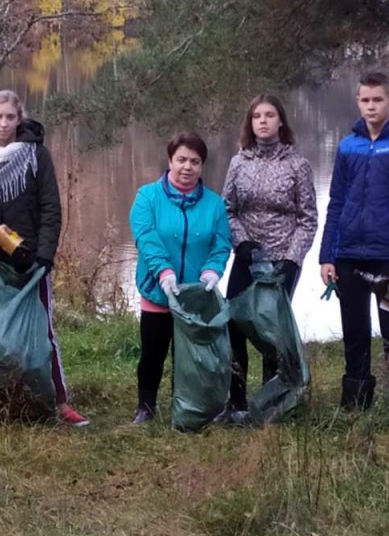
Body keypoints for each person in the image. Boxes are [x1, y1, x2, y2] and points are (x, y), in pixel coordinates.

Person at [0, 89, 88, 427]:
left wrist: (45, 256)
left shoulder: (36, 155)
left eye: (10, 117)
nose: (3, 123)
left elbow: (50, 209)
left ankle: (58, 402)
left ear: (19, 119)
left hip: (29, 262)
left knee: (42, 332)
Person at [318, 69, 389, 426]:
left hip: (388, 261)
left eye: (377, 99)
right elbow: (336, 202)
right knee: (354, 332)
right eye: (365, 100)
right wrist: (327, 256)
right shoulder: (347, 146)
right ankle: (355, 407)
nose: (371, 106)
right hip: (348, 257)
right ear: (357, 102)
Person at [221, 94, 318, 419]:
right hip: (248, 257)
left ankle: (272, 404)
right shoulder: (238, 163)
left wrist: (293, 259)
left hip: (282, 260)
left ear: (281, 122)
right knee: (234, 323)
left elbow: (308, 219)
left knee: (273, 332)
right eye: (257, 116)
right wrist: (242, 243)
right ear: (250, 124)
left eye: (269, 115)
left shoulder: (297, 165)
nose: (263, 121)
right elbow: (227, 209)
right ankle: (236, 400)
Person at [129, 132, 232, 425]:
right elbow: (146, 237)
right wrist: (163, 271)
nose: (187, 167)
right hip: (158, 291)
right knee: (153, 352)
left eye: (194, 162)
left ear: (202, 166)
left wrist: (213, 269)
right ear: (170, 161)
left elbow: (221, 243)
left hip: (195, 296)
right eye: (181, 160)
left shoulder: (214, 204)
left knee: (189, 357)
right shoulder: (147, 197)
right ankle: (146, 407)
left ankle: (185, 404)